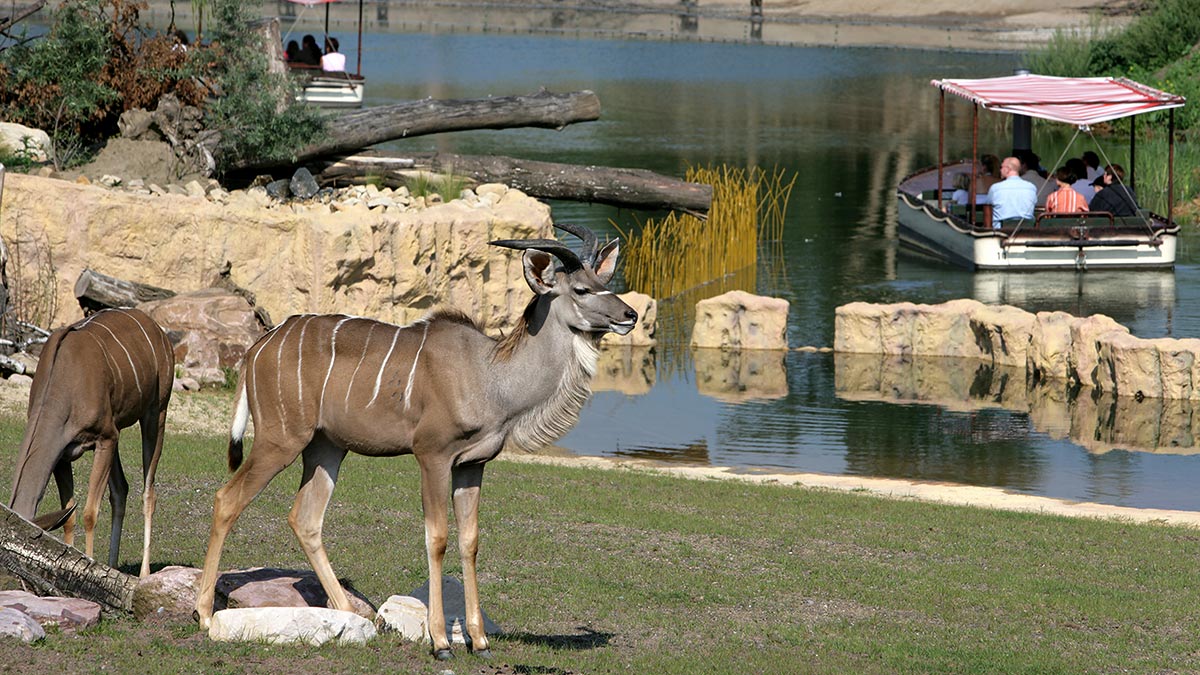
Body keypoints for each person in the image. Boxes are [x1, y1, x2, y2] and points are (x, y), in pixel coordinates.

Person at [986, 156, 1037, 229]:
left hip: (1000, 232)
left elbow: (988, 207)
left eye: (1001, 167)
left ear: (1007, 169)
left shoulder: (995, 188)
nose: (1000, 170)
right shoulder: (1031, 187)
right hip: (1026, 231)